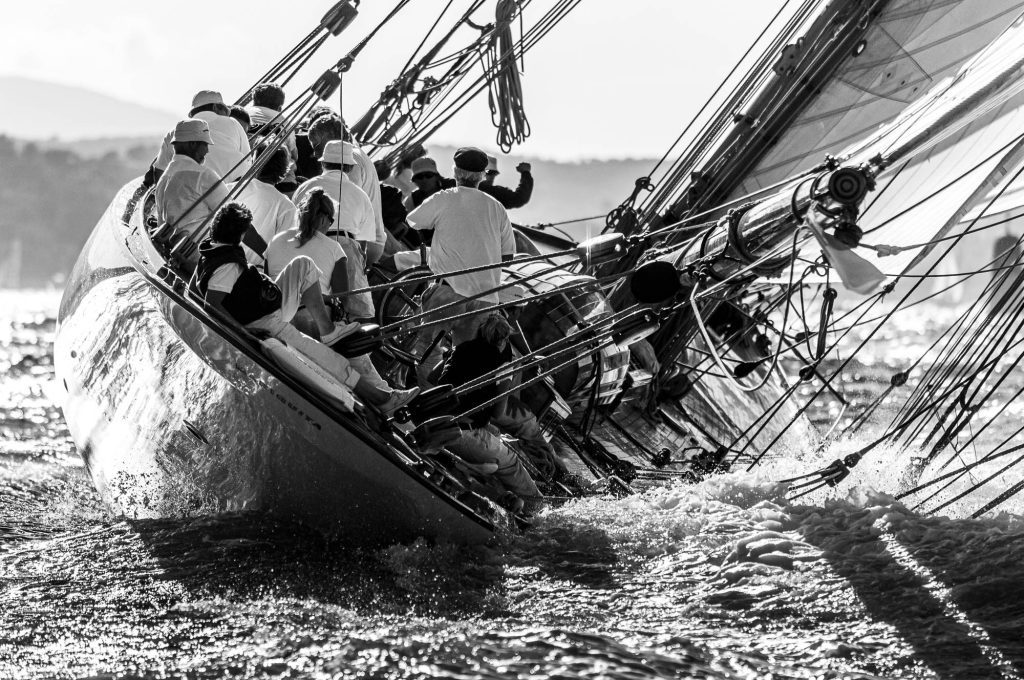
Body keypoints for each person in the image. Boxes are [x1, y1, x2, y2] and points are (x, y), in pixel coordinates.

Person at [190, 201, 418, 415]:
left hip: (266, 307)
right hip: (265, 323)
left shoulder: (210, 250)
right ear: (239, 233)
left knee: (303, 264)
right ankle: (385, 400)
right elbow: (212, 305)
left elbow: (195, 290)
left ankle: (328, 331)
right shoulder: (227, 265)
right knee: (335, 363)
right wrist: (244, 332)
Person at [406, 147, 516, 385]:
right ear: (483, 175)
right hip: (486, 300)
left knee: (426, 349)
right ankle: (452, 411)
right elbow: (508, 256)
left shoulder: (445, 197)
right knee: (466, 361)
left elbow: (412, 220)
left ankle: (425, 402)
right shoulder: (496, 207)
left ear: (455, 171)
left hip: (448, 292)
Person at [437, 313, 541, 510]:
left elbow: (436, 378)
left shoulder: (460, 349)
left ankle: (491, 485)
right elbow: (498, 413)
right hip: (462, 430)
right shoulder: (502, 366)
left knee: (494, 434)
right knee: (511, 462)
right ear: (503, 340)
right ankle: (536, 507)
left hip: (439, 417)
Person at [292, 140, 376, 322]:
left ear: (322, 163)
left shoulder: (305, 187)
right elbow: (363, 244)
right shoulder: (360, 195)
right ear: (349, 167)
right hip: (347, 246)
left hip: (310, 244)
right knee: (357, 313)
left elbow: (294, 225)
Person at [305, 114, 388, 264]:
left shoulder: (351, 161)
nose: (315, 153)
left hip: (361, 244)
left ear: (332, 138)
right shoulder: (356, 154)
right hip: (367, 240)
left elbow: (350, 211)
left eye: (317, 146)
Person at [154, 119, 230, 255]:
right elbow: (234, 219)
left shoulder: (162, 180)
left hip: (175, 254)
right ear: (193, 144)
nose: (207, 151)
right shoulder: (204, 176)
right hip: (203, 258)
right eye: (205, 144)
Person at [152, 91, 252, 183]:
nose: (226, 115)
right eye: (224, 110)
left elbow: (160, 171)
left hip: (190, 192)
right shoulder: (233, 123)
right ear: (215, 108)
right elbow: (248, 160)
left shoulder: (174, 131)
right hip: (232, 189)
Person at [231, 146, 296, 265]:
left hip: (219, 265)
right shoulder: (286, 206)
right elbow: (283, 251)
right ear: (284, 169)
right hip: (257, 275)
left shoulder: (230, 189)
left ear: (255, 162)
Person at [245, 83, 299, 192]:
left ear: (254, 101)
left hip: (246, 181)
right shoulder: (285, 122)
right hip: (282, 183)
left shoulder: (244, 115)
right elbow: (294, 155)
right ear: (280, 107)